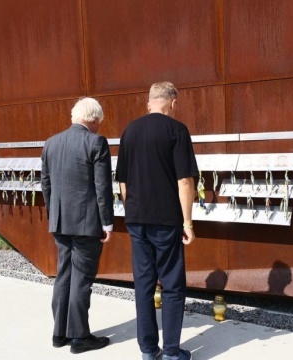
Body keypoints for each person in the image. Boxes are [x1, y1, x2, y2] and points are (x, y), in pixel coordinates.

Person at [116, 82, 198, 360]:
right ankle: (173, 353)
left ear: (149, 102)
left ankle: (149, 351)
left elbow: (123, 184)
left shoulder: (129, 131)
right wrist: (188, 223)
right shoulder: (177, 130)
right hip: (166, 220)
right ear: (173, 102)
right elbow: (185, 181)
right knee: (173, 285)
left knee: (144, 284)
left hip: (137, 219)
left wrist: (134, 212)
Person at [41, 97, 114, 355]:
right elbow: (102, 187)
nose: (99, 127)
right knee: (81, 280)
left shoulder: (51, 143)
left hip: (60, 222)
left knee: (64, 276)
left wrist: (55, 215)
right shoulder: (96, 142)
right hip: (86, 224)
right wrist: (107, 222)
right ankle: (80, 337)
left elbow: (46, 185)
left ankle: (59, 334)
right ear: (93, 119)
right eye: (99, 123)